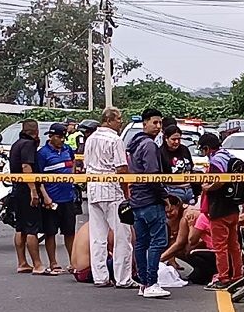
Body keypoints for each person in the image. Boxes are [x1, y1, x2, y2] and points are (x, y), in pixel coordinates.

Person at [83, 107, 135, 289]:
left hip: (93, 189)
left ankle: (100, 277)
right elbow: (121, 169)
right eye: (119, 118)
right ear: (109, 120)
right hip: (112, 191)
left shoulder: (90, 139)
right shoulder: (115, 140)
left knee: (97, 236)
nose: (121, 122)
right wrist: (126, 192)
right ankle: (123, 278)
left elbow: (87, 164)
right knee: (122, 236)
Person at [127, 107, 171, 299]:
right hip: (150, 200)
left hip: (136, 199)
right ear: (144, 123)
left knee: (141, 243)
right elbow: (153, 176)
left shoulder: (134, 144)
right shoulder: (149, 146)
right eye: (155, 122)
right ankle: (151, 282)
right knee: (158, 241)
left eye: (160, 123)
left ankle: (143, 282)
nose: (158, 126)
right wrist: (164, 196)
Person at [198, 132, 242, 290]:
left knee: (220, 247)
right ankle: (238, 275)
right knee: (234, 245)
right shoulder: (228, 155)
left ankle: (223, 278)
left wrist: (208, 187)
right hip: (233, 207)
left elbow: (220, 179)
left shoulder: (216, 160)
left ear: (208, 148)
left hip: (219, 209)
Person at [37, 124, 77, 275]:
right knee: (50, 232)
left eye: (63, 137)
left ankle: (73, 262)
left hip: (68, 197)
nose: (61, 140)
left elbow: (72, 163)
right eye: (58, 137)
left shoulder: (68, 150)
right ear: (51, 136)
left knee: (69, 232)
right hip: (51, 198)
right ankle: (53, 263)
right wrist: (45, 197)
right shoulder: (43, 154)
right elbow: (38, 178)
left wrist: (72, 179)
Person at [7, 118, 45, 275]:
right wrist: (33, 191)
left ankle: (22, 262)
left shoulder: (16, 144)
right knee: (31, 228)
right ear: (36, 132)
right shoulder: (29, 145)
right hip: (26, 190)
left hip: (16, 189)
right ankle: (37, 264)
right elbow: (26, 167)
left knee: (20, 227)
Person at [161, 124, 196, 205]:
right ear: (166, 138)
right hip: (172, 191)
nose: (176, 142)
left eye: (179, 139)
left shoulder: (184, 149)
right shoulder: (161, 153)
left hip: (189, 190)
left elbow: (191, 167)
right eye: (173, 139)